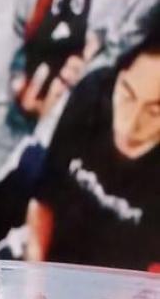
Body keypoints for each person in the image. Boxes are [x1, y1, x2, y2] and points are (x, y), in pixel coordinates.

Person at [26, 15, 160, 270]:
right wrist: (35, 280)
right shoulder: (92, 94)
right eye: (127, 94)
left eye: (154, 112)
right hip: (42, 264)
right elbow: (44, 198)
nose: (129, 124)